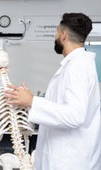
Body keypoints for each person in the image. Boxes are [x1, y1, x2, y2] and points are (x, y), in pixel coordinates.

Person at [5, 13, 101, 170]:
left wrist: (32, 101)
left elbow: (74, 116)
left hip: (70, 161)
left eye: (56, 32)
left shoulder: (77, 67)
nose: (55, 37)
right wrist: (30, 100)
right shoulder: (77, 64)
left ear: (63, 35)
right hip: (69, 157)